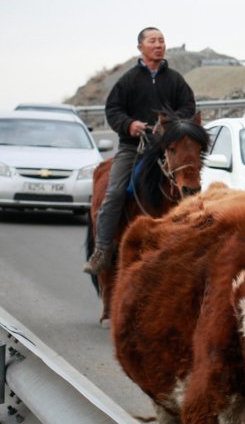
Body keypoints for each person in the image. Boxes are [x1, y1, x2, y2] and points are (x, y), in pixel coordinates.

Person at [82, 27, 197, 274]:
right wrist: (129, 125)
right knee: (113, 193)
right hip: (133, 146)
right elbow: (113, 110)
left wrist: (169, 122)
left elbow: (188, 107)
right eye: (153, 41)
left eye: (162, 41)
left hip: (167, 148)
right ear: (140, 48)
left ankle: (192, 250)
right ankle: (102, 250)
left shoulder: (175, 80)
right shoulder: (128, 80)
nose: (158, 45)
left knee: (190, 192)